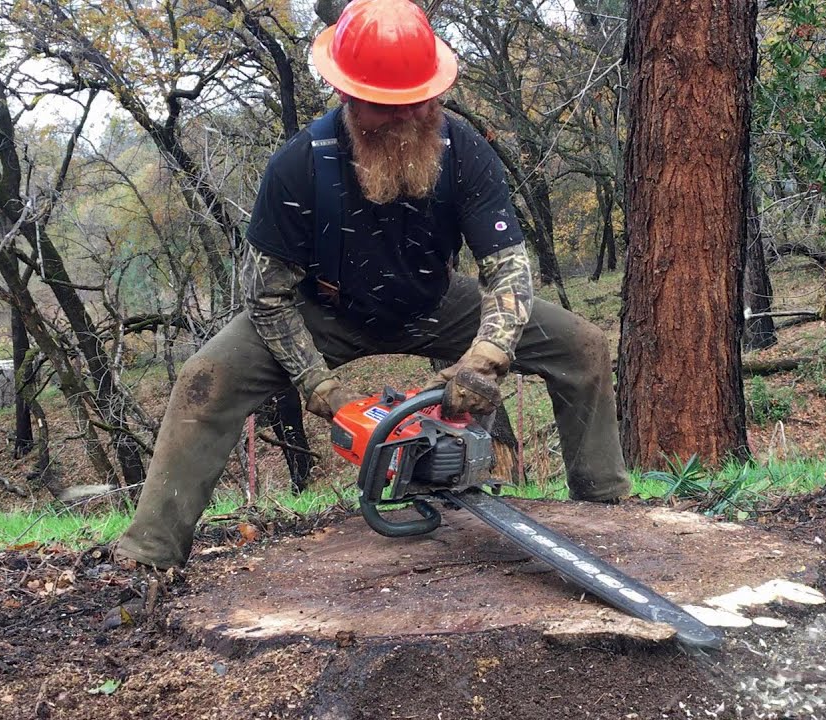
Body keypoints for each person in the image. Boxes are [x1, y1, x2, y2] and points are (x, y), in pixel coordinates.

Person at [114, 0, 630, 571]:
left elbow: (508, 267)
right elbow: (267, 297)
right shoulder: (299, 166)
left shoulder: (465, 151)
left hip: (435, 300)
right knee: (204, 380)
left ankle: (604, 515)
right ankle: (149, 557)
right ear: (348, 95)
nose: (405, 116)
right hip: (325, 310)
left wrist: (486, 357)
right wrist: (318, 386)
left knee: (582, 348)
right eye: (387, 107)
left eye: (417, 101)